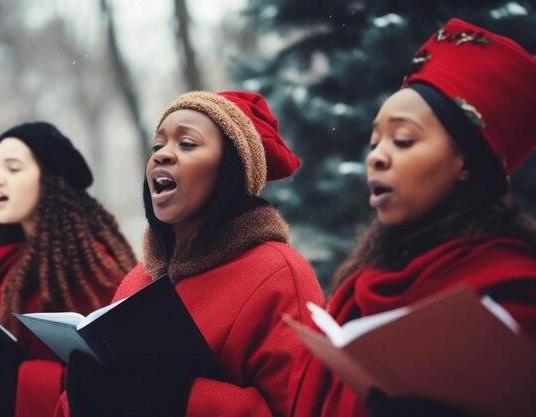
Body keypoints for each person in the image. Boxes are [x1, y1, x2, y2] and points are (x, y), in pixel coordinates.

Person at [288, 18, 536, 417]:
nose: (376, 156)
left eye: (403, 140)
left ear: (466, 162)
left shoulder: (516, 294)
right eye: (374, 142)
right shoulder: (354, 293)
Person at [55, 91, 326, 417]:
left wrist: (178, 398)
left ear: (231, 169)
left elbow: (304, 409)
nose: (162, 155)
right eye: (158, 146)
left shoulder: (280, 274)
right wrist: (82, 395)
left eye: (187, 143)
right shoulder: (137, 280)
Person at [0, 122, 137, 417]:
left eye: (13, 168)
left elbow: (108, 387)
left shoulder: (92, 272)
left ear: (50, 180)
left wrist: (11, 382)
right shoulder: (1, 266)